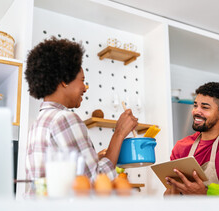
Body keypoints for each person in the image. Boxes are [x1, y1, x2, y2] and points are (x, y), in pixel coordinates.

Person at [25, 37, 138, 181]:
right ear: (65, 80)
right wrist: (119, 133)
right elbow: (94, 182)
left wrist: (94, 159)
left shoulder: (38, 123)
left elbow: (61, 175)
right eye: (82, 80)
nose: (85, 88)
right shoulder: (65, 118)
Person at [165, 82, 219, 195]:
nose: (196, 111)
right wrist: (174, 189)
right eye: (195, 106)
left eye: (204, 107)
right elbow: (169, 195)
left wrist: (204, 194)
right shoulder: (181, 146)